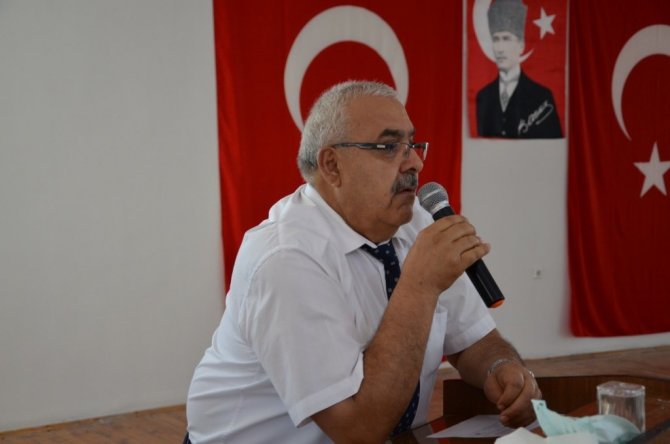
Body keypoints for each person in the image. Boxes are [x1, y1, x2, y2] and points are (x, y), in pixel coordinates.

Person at [185, 80, 541, 443]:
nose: (415, 162)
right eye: (389, 147)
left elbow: (473, 340)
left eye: (412, 145)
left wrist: (501, 367)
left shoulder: (416, 222)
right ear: (332, 165)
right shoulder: (285, 258)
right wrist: (420, 286)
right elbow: (356, 429)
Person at [476, 0, 563, 138]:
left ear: (521, 46)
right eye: (496, 39)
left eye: (506, 39)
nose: (500, 48)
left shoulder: (542, 96)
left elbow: (553, 143)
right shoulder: (483, 96)